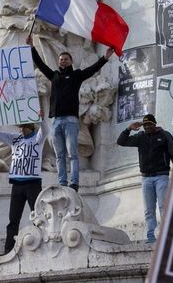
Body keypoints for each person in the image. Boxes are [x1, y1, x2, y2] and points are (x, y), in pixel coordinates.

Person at [27, 34, 114, 192]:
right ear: (58, 62)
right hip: (56, 121)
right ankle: (62, 182)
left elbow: (92, 70)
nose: (63, 61)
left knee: (72, 153)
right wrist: (32, 47)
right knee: (60, 154)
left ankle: (74, 182)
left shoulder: (76, 75)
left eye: (66, 59)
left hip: (71, 120)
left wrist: (105, 58)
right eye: (61, 59)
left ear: (70, 61)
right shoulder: (53, 76)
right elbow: (40, 64)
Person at [0, 121, 47, 254]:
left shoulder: (38, 138)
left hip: (33, 184)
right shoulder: (14, 139)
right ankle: (9, 249)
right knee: (13, 219)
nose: (20, 129)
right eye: (19, 127)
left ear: (29, 127)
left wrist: (41, 119)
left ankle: (42, 247)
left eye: (22, 127)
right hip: (17, 185)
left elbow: (45, 130)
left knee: (38, 217)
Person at [116, 114, 173, 243]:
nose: (147, 127)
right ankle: (151, 236)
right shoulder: (140, 137)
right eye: (145, 125)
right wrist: (128, 129)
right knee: (149, 210)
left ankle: (167, 235)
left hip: (162, 176)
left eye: (149, 124)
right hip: (146, 179)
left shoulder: (165, 135)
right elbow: (121, 141)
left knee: (163, 207)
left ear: (155, 124)